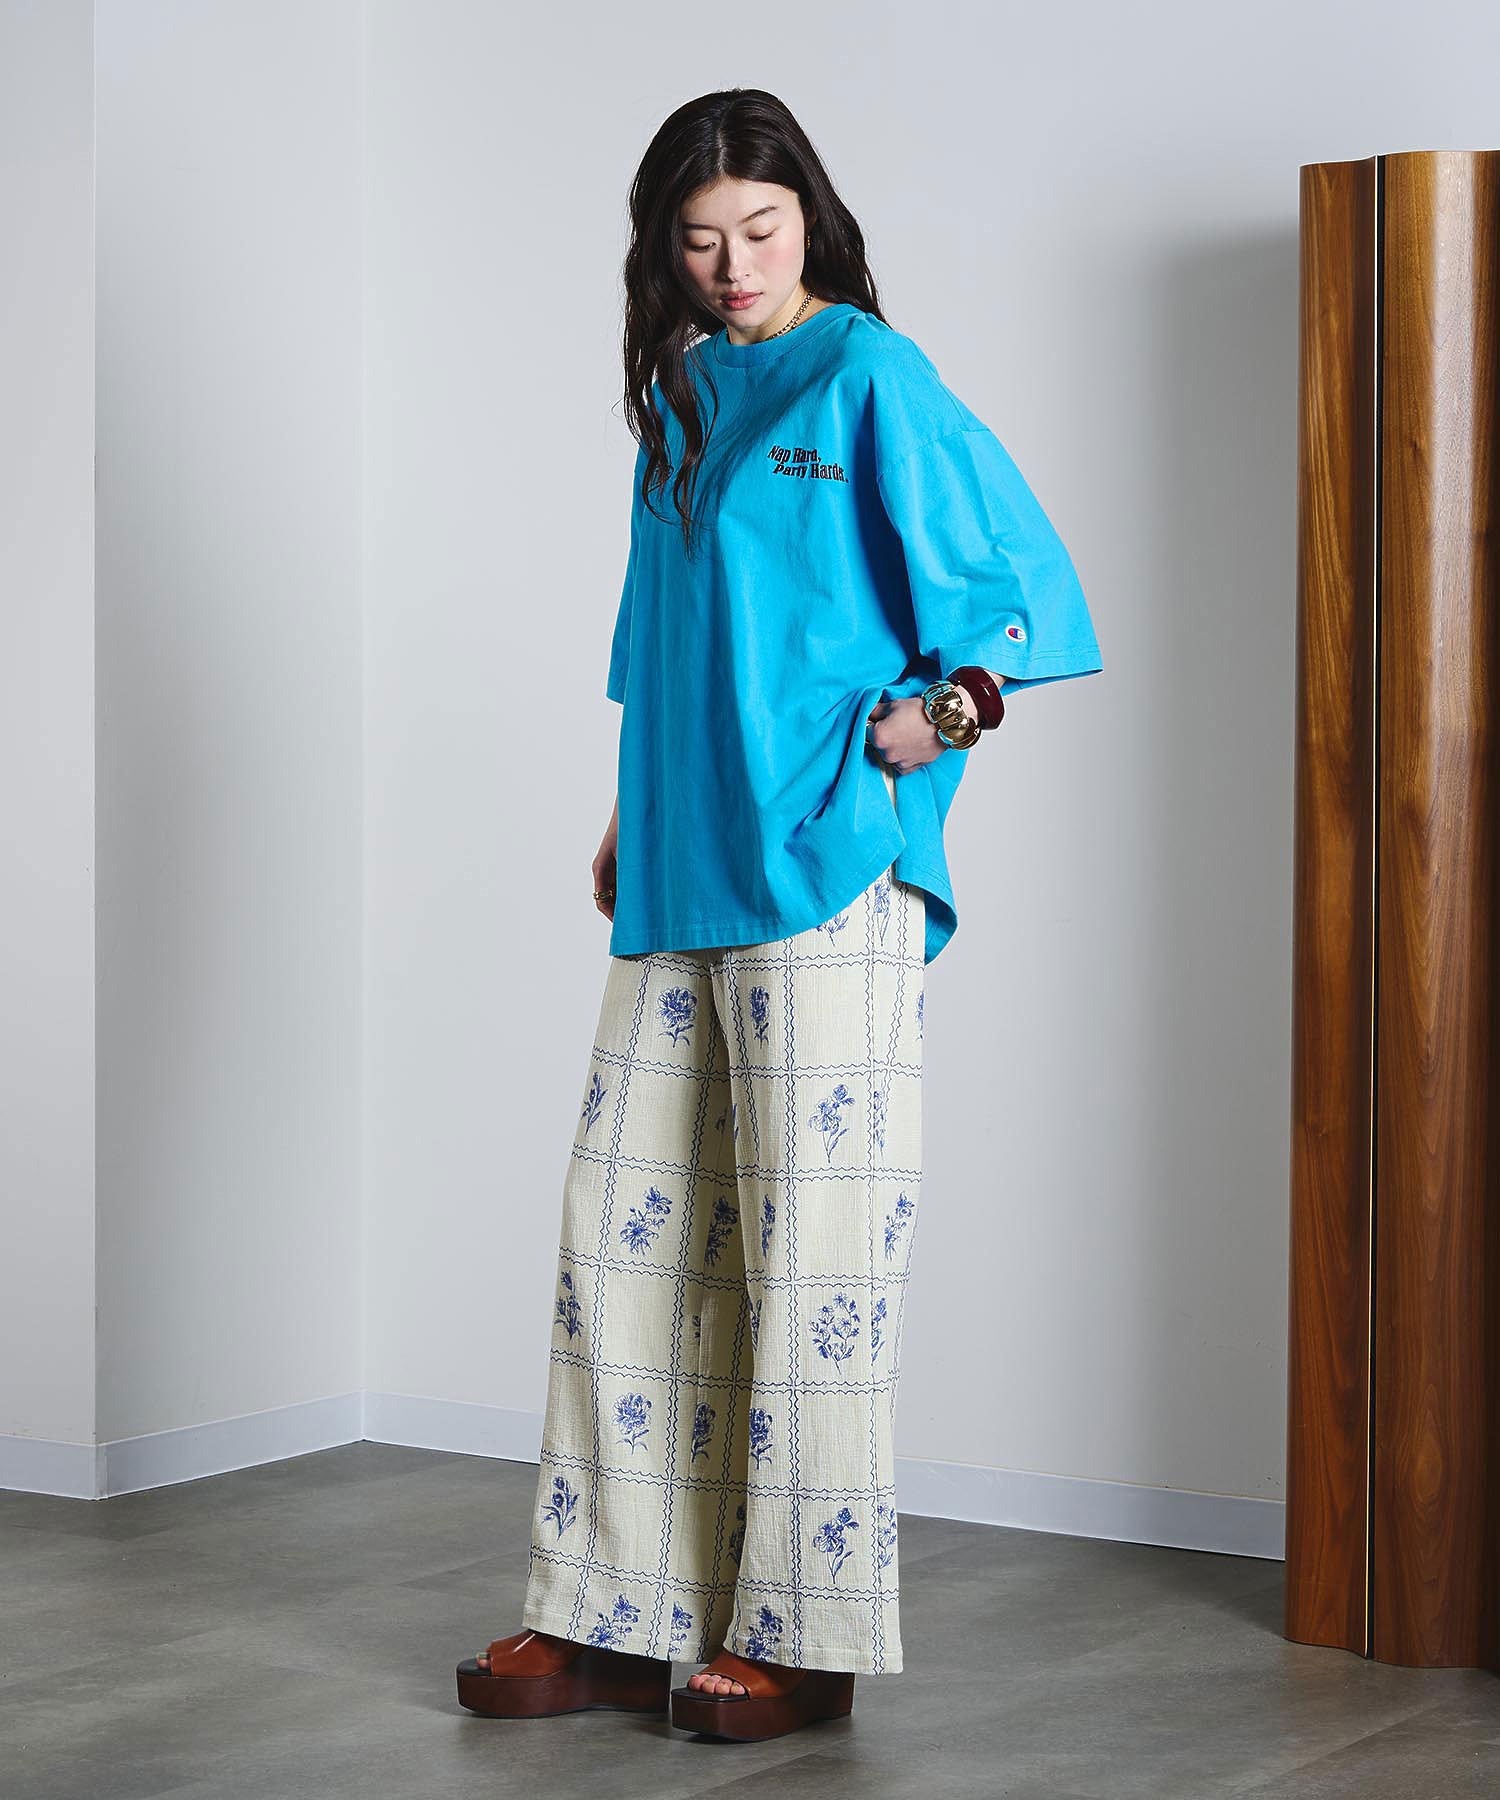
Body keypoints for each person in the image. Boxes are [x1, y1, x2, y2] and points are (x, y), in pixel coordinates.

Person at [454, 86, 1102, 1743]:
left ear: (808, 215)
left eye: (760, 228)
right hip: (683, 860)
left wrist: (948, 713)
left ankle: (802, 1637)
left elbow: (1012, 587)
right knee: (627, 1234)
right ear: (660, 252)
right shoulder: (679, 396)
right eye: (700, 240)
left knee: (811, 1254)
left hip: (826, 860)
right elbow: (664, 637)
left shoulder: (870, 372)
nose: (735, 264)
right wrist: (632, 807)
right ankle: (610, 1613)